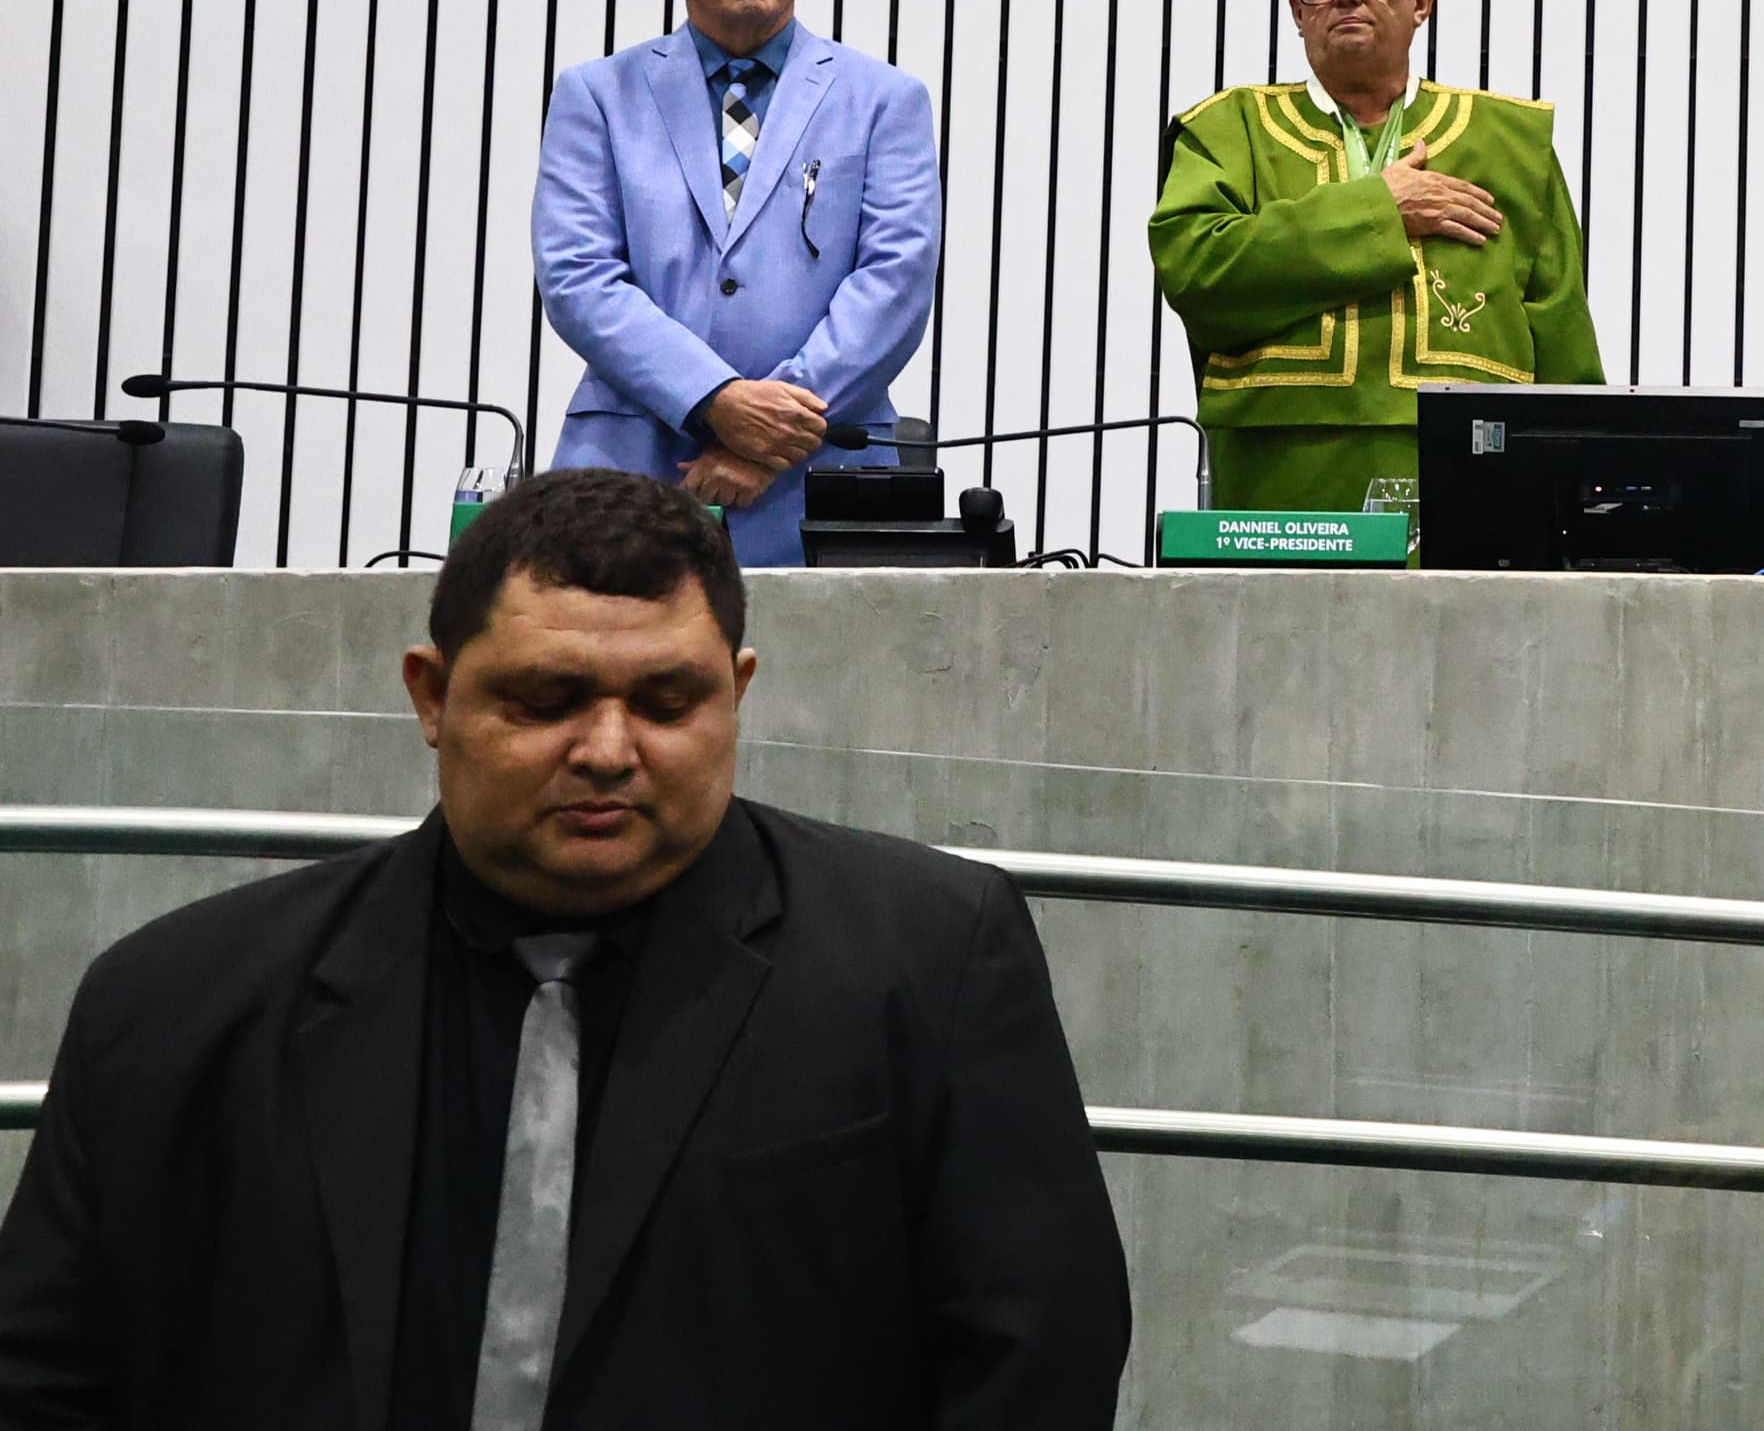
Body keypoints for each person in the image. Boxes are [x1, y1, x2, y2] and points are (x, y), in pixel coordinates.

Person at [0, 467, 1131, 1426]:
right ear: (431, 694)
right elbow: (47, 1376)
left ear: (736, 694)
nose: (607, 748)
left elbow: (1035, 1361)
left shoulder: (928, 962)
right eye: (547, 698)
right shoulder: (170, 1005)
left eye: (667, 701)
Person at [534, 0, 940, 566]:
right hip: (631, 472)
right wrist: (716, 400)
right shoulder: (597, 97)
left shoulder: (885, 101)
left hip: (820, 476)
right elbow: (577, 279)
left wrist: (772, 435)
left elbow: (895, 281)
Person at [1148, 0, 1602, 513]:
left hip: (1474, 462)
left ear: (1421, 2)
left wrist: (1585, 488)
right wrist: (1382, 209)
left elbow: (1562, 329)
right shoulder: (1228, 129)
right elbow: (1197, 270)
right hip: (1280, 469)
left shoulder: (1511, 142)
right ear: (1298, 13)